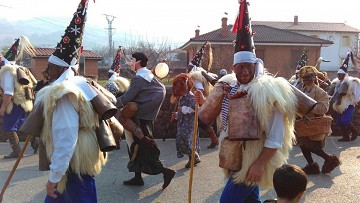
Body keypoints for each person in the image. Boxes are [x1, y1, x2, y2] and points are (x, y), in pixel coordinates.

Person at [195, 1, 297, 202]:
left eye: (247, 67)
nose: (243, 71)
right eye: (239, 67)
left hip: (253, 159)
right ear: (234, 68)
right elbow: (221, 117)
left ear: (255, 65)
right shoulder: (229, 87)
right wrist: (203, 101)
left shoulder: (268, 93)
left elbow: (276, 135)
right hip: (235, 157)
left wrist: (259, 164)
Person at [24, 1, 107, 202]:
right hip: (75, 163)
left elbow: (66, 138)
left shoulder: (63, 93)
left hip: (73, 166)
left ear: (61, 69)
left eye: (50, 67)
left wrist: (54, 176)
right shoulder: (81, 84)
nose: (47, 72)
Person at [115, 52, 176, 189]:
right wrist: (149, 108)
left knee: (142, 147)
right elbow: (161, 90)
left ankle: (166, 172)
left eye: (132, 60)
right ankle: (137, 177)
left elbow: (127, 97)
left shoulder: (139, 78)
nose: (130, 63)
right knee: (136, 146)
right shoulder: (150, 76)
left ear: (139, 62)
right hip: (146, 118)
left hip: (139, 119)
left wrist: (113, 103)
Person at [296, 66, 340, 174]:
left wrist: (307, 108)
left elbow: (323, 108)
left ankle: (329, 159)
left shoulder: (320, 92)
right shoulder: (302, 90)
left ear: (314, 77)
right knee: (303, 145)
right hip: (303, 124)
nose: (306, 79)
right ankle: (312, 165)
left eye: (309, 77)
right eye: (304, 77)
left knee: (314, 147)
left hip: (315, 125)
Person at [0, 35, 36, 159]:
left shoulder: (7, 71)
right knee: (24, 125)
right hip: (26, 102)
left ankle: (16, 151)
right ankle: (36, 142)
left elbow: (8, 92)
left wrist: (3, 106)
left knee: (9, 126)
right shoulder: (21, 68)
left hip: (14, 102)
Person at [188, 41, 219, 149]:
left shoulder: (195, 76)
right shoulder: (200, 74)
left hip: (201, 101)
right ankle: (213, 139)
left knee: (201, 122)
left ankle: (213, 139)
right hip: (204, 100)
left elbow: (200, 89)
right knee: (201, 122)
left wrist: (195, 96)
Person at [328, 52, 360, 142]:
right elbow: (334, 93)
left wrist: (343, 100)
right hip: (340, 106)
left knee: (345, 120)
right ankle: (346, 137)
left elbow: (349, 93)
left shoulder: (350, 82)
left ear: (344, 74)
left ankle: (355, 131)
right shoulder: (337, 83)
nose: (338, 76)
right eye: (337, 74)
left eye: (340, 75)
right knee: (339, 121)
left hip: (348, 105)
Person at [171, 73, 201, 168]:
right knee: (181, 139)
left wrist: (183, 109)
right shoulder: (181, 97)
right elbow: (181, 110)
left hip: (190, 124)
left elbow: (196, 108)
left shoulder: (191, 96)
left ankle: (194, 156)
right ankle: (192, 157)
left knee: (186, 139)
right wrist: (176, 114)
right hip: (182, 122)